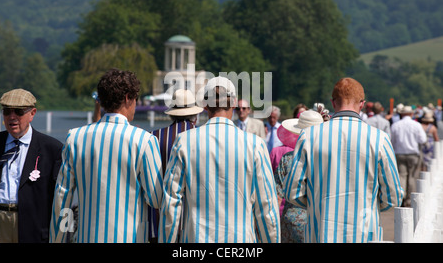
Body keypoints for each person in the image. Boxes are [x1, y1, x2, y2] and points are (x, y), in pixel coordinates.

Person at [159, 76, 280, 243]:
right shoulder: (255, 145)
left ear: (205, 105)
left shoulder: (184, 141)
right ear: (234, 104)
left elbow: (171, 202)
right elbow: (267, 208)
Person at [50, 69, 164, 243]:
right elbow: (156, 199)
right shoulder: (144, 140)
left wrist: (56, 240)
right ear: (127, 98)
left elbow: (61, 198)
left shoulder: (75, 137)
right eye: (136, 99)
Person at [283, 77, 403, 243]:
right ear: (362, 104)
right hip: (364, 233)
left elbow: (292, 191)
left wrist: (319, 204)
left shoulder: (309, 136)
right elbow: (393, 197)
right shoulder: (379, 139)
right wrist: (368, 205)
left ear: (333, 103)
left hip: (320, 233)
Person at [0, 89, 63, 243]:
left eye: (18, 112)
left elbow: (60, 196)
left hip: (32, 226)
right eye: (6, 112)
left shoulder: (52, 149)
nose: (12, 117)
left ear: (32, 113)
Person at [148, 88, 203, 242]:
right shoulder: (202, 137)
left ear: (172, 112)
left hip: (160, 217)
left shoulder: (154, 137)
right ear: (195, 114)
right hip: (194, 218)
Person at [275, 110, 325, 243]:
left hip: (291, 223)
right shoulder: (329, 160)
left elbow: (277, 196)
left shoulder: (287, 159)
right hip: (320, 222)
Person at [390, 105, 427, 207]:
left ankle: (401, 197)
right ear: (411, 114)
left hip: (400, 153)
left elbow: (391, 141)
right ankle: (409, 199)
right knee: (411, 177)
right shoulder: (416, 125)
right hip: (413, 154)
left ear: (401, 114)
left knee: (402, 176)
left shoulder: (395, 125)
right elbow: (423, 140)